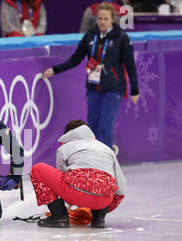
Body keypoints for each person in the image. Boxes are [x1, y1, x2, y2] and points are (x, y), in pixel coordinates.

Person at [43, 2, 139, 155]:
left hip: (114, 89)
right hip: (94, 88)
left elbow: (130, 65)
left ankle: (106, 161)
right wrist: (55, 70)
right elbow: (75, 59)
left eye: (106, 19)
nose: (102, 22)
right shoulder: (89, 36)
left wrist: (134, 89)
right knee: (92, 127)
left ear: (112, 19)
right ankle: (98, 157)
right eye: (100, 19)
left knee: (105, 126)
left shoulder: (121, 38)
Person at [30, 120, 127, 229]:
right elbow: (121, 188)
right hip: (104, 200)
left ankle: (59, 217)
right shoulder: (106, 149)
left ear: (67, 135)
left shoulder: (64, 148)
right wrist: (106, 207)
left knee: (37, 169)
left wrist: (68, 207)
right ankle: (98, 218)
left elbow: (61, 181)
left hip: (76, 194)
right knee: (103, 181)